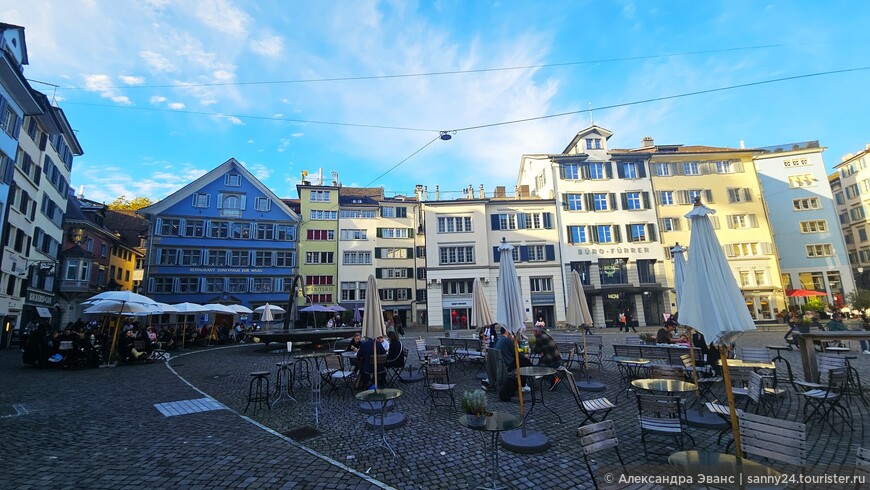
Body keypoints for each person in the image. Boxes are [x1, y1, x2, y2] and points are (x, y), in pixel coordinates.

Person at [532, 323, 562, 390]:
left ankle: (554, 379)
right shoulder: (545, 335)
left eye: (533, 331)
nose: (533, 333)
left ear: (537, 332)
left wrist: (539, 350)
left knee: (537, 369)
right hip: (557, 359)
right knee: (539, 365)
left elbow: (536, 349)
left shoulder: (540, 338)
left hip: (551, 361)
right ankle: (554, 378)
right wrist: (541, 351)